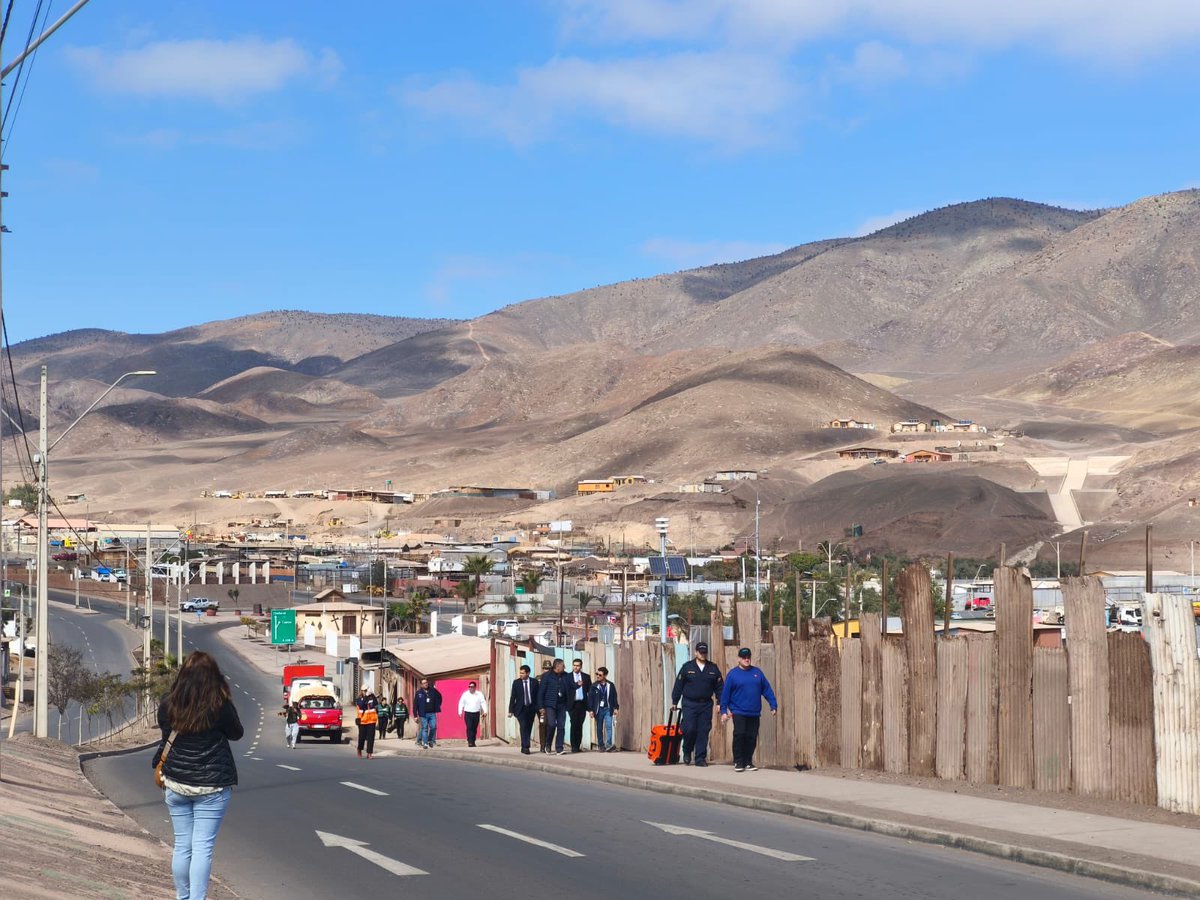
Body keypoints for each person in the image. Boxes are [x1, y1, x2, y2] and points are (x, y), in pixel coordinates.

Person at [152, 651, 244, 900]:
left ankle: (183, 897)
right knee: (202, 848)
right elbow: (236, 733)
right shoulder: (219, 704)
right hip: (212, 787)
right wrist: (225, 696)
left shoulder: (168, 702)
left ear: (183, 675)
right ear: (214, 676)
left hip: (176, 783)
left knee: (183, 845)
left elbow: (164, 734)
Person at [719, 647, 777, 773]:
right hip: (739, 711)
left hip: (754, 712)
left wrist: (773, 705)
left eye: (748, 657)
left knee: (751, 737)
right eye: (744, 657)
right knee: (740, 734)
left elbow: (767, 689)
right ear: (739, 659)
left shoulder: (757, 673)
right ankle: (739, 761)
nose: (746, 659)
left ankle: (748, 761)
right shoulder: (732, 674)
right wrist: (724, 711)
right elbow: (725, 694)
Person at [671, 641, 723, 767]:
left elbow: (720, 687)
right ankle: (687, 750)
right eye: (700, 652)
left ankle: (700, 758)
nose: (703, 654)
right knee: (689, 729)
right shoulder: (687, 667)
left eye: (705, 652)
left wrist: (719, 702)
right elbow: (679, 685)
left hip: (705, 704)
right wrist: (674, 701)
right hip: (689, 703)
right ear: (695, 652)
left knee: (703, 731)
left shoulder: (713, 668)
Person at [538, 658, 571, 755]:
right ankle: (548, 744)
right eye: (562, 665)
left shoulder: (566, 675)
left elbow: (570, 688)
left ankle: (559, 748)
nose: (564, 667)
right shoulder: (546, 676)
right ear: (557, 666)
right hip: (550, 704)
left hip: (562, 705)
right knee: (551, 725)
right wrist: (541, 706)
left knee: (561, 726)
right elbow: (541, 692)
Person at [508, 664, 539, 754]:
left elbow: (537, 696)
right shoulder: (516, 682)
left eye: (523, 673)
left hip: (531, 708)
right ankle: (526, 746)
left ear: (528, 673)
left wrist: (538, 707)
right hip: (520, 709)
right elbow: (513, 697)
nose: (521, 675)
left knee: (528, 727)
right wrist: (510, 710)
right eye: (520, 673)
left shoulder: (534, 682)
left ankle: (524, 745)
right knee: (523, 726)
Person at [587, 666, 619, 752]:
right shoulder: (594, 686)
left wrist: (616, 708)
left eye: (600, 675)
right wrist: (590, 710)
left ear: (605, 675)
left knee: (609, 726)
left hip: (608, 709)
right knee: (599, 727)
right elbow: (590, 699)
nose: (597, 676)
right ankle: (601, 745)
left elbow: (614, 697)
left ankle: (608, 744)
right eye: (597, 674)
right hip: (598, 709)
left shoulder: (610, 685)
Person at [567, 658, 592, 753]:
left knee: (580, 724)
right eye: (574, 665)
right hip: (572, 704)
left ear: (581, 666)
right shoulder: (568, 677)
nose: (575, 667)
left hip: (582, 703)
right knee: (574, 724)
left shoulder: (586, 677)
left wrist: (590, 707)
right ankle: (573, 746)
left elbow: (590, 691)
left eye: (577, 665)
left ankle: (578, 745)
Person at [415, 678, 442, 749]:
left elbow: (440, 697)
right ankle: (425, 743)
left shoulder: (433, 690)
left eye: (426, 682)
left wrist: (437, 705)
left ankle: (430, 740)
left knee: (433, 727)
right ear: (421, 685)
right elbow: (415, 705)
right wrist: (415, 715)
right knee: (425, 728)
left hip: (432, 713)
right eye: (424, 683)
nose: (426, 684)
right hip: (423, 714)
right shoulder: (418, 693)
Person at [356, 688, 378, 759]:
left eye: (367, 690)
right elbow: (361, 706)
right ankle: (359, 749)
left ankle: (369, 753)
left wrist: (372, 694)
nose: (366, 692)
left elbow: (376, 703)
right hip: (362, 721)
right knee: (362, 738)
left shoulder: (371, 698)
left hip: (371, 721)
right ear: (362, 691)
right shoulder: (359, 699)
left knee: (371, 738)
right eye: (364, 691)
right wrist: (365, 697)